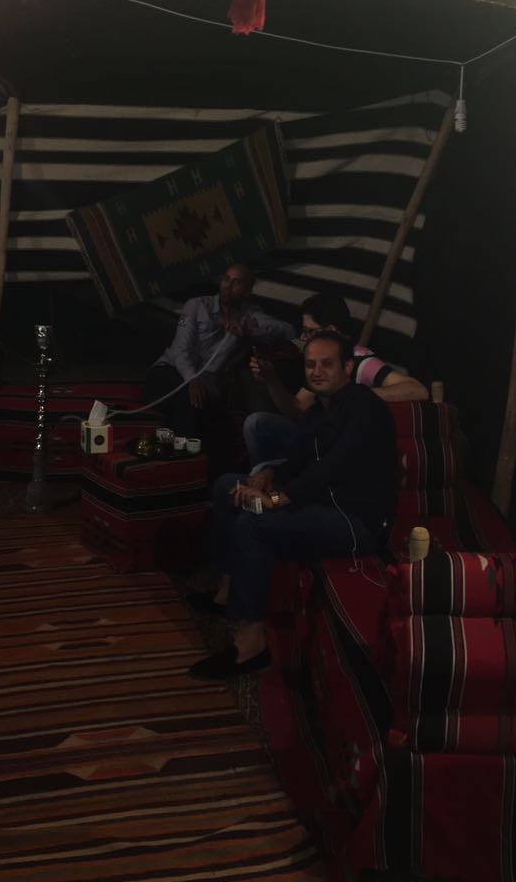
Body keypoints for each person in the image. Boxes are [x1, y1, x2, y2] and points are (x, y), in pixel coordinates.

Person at [188, 330, 397, 680]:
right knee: (227, 486)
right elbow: (299, 460)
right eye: (311, 365)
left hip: (355, 521)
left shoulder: (366, 408)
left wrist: (276, 498)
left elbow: (335, 466)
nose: (317, 372)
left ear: (347, 367)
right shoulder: (319, 410)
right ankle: (226, 593)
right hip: (320, 504)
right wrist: (268, 474)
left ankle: (251, 644)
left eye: (327, 364)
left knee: (254, 522)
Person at [243, 290, 427, 469]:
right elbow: (297, 409)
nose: (304, 338)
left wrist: (354, 396)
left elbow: (417, 390)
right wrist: (271, 379)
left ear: (331, 330)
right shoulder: (318, 359)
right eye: (304, 332)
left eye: (310, 331)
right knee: (256, 425)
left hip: (342, 451)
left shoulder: (359, 360)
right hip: (317, 439)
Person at [142, 263, 295, 440]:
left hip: (208, 384)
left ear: (247, 292)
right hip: (172, 370)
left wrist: (249, 329)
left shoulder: (249, 315)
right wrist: (192, 380)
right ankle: (182, 448)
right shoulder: (197, 306)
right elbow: (182, 351)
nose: (228, 286)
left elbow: (288, 330)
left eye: (237, 282)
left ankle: (181, 448)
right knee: (191, 401)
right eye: (226, 279)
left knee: (198, 407)